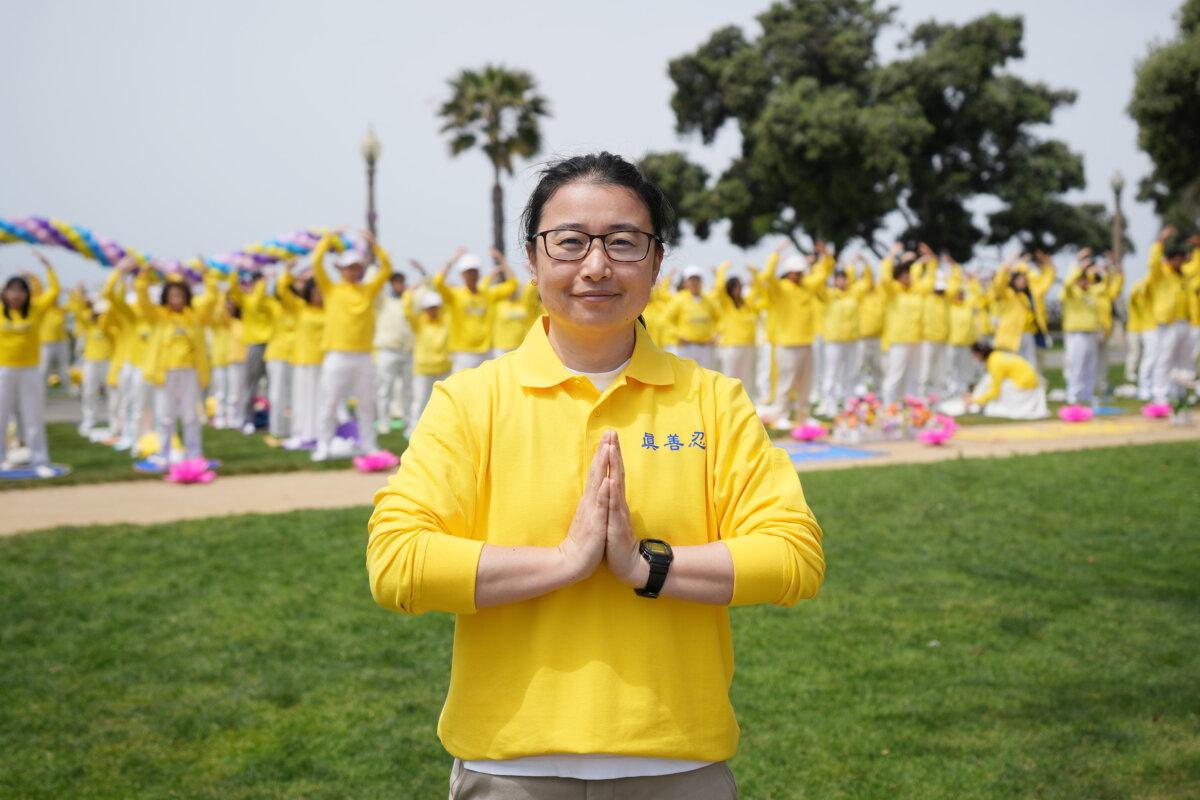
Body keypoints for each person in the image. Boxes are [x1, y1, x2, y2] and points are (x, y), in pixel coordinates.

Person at [368, 152, 824, 799]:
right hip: (510, 770)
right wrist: (564, 562)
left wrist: (646, 567)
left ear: (657, 260)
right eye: (571, 241)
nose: (596, 266)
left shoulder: (712, 400)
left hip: (678, 767)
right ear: (533, 257)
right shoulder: (471, 401)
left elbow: (794, 557)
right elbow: (396, 563)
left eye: (623, 242)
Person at [310, 230, 392, 461]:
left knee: (367, 405)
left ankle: (369, 445)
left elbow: (386, 268)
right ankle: (323, 445)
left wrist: (374, 244)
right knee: (329, 402)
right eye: (349, 267)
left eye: (357, 267)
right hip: (337, 355)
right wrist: (328, 239)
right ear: (341, 269)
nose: (354, 271)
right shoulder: (331, 289)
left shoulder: (368, 289)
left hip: (363, 356)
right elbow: (316, 261)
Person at [135, 271, 210, 468]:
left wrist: (208, 276)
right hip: (165, 372)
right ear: (166, 297)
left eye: (180, 295)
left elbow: (212, 300)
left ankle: (194, 453)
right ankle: (164, 454)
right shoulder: (159, 317)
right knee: (165, 415)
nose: (177, 299)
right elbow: (142, 300)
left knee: (191, 415)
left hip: (189, 372)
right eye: (173, 295)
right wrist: (143, 274)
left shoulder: (193, 318)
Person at [758, 241, 832, 429]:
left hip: (806, 342)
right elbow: (767, 276)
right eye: (795, 272)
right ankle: (781, 415)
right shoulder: (780, 288)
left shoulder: (807, 286)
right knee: (785, 383)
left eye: (800, 272)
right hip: (787, 344)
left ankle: (803, 417)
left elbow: (824, 273)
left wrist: (826, 256)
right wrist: (775, 253)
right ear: (788, 272)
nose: (798, 275)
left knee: (805, 384)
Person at [1, 253, 59, 475]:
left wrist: (48, 267)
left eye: (20, 290)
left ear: (27, 293)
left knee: (32, 414)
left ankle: (39, 458)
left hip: (30, 369)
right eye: (12, 290)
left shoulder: (35, 309)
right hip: (4, 369)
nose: (16, 295)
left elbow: (53, 291)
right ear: (4, 293)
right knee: (1, 414)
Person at [433, 249, 517, 372]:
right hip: (463, 354)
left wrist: (502, 261)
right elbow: (438, 282)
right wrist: (452, 260)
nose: (471, 275)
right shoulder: (455, 295)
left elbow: (512, 284)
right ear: (462, 275)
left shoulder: (488, 294)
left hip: (486, 352)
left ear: (479, 273)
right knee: (460, 390)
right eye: (468, 272)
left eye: (474, 271)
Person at [1147, 227, 1200, 403]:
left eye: (1181, 259)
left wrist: (1198, 248)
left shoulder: (1184, 275)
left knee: (1184, 360)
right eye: (1174, 259)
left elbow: (1196, 266)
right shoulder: (1161, 274)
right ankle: (1159, 394)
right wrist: (1160, 241)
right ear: (1169, 260)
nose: (1178, 262)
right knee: (1164, 358)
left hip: (1185, 322)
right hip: (1168, 323)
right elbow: (1154, 262)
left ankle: (1180, 394)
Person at [277, 266, 326, 449]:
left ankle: (318, 433)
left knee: (319, 400)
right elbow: (282, 289)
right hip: (303, 361)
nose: (318, 295)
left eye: (321, 291)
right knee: (302, 399)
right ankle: (301, 433)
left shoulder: (328, 310)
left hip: (322, 361)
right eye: (315, 291)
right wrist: (289, 269)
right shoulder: (300, 307)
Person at [879, 244, 931, 404]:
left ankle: (913, 410)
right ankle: (888, 408)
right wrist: (891, 255)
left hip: (916, 339)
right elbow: (885, 279)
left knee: (914, 377)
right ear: (898, 275)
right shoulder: (893, 291)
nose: (907, 276)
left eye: (909, 273)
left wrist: (929, 262)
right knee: (894, 376)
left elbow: (930, 281)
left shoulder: (917, 291)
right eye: (904, 273)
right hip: (899, 341)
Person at [68, 280, 120, 435]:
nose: (98, 313)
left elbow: (114, 309)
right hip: (91, 361)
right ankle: (90, 419)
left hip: (109, 361)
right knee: (89, 391)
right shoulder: (88, 323)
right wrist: (78, 294)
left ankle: (114, 421)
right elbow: (77, 310)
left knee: (113, 393)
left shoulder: (110, 323)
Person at [227, 273, 274, 433]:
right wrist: (237, 270)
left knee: (271, 386)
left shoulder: (269, 301)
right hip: (255, 345)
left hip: (271, 345)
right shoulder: (247, 300)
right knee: (251, 384)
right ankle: (248, 419)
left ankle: (269, 419)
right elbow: (233, 289)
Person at [373, 269, 414, 434]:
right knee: (384, 389)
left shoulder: (408, 300)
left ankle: (407, 420)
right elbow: (374, 284)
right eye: (397, 282)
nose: (400, 285)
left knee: (407, 389)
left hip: (406, 350)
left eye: (402, 282)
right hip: (387, 350)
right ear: (391, 284)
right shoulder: (384, 300)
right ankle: (383, 421)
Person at [403, 286, 451, 426]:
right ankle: (413, 428)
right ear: (425, 308)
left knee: (444, 401)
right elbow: (407, 311)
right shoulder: (419, 322)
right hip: (423, 369)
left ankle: (442, 428)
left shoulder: (445, 320)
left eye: (435, 306)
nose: (433, 310)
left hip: (443, 368)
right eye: (430, 307)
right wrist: (408, 294)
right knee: (420, 400)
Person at [1060, 259, 1105, 406]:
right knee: (1077, 366)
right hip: (1077, 334)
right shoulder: (1071, 293)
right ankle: (1073, 395)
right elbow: (1067, 283)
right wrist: (1080, 268)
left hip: (1091, 333)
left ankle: (1087, 394)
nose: (1084, 282)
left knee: (1090, 366)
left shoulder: (1092, 293)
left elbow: (1106, 287)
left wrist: (1103, 272)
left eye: (1086, 280)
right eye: (1081, 280)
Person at [711, 261, 759, 389]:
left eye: (740, 286)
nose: (739, 289)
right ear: (731, 288)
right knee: (730, 377)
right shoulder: (726, 303)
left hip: (748, 345)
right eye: (736, 287)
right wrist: (722, 269)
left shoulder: (747, 303)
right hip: (731, 346)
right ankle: (728, 405)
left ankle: (743, 405)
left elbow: (758, 289)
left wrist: (754, 272)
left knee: (746, 377)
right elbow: (720, 287)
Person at [967, 342, 1047, 419]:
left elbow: (995, 392)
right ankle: (976, 403)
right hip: (1031, 384)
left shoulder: (994, 362)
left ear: (979, 354)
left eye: (975, 355)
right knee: (990, 381)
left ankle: (975, 405)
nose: (975, 358)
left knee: (989, 381)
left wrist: (975, 400)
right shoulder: (997, 356)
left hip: (1025, 388)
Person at [666, 264, 720, 369]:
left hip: (705, 347)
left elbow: (720, 319)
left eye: (697, 279)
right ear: (686, 283)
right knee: (685, 377)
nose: (694, 283)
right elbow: (666, 320)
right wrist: (677, 335)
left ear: (701, 282)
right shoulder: (679, 299)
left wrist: (716, 335)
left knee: (705, 377)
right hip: (686, 347)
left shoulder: (709, 300)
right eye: (691, 280)